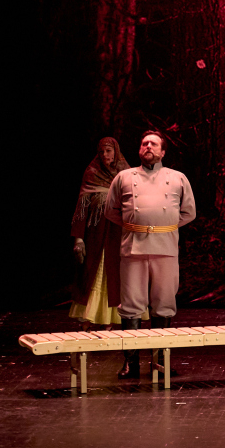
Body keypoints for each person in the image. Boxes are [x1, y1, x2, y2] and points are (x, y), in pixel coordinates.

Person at [104, 130, 197, 379]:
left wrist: (164, 226)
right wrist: (135, 226)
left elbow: (189, 212)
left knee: (164, 304)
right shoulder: (124, 177)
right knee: (131, 306)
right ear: (139, 149)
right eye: (144, 143)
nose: (148, 146)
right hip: (133, 247)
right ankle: (130, 363)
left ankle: (160, 362)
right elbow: (111, 211)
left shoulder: (177, 178)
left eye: (153, 144)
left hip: (165, 248)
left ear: (163, 152)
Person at [69, 137, 134, 328]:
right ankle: (89, 318)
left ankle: (111, 319)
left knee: (116, 275)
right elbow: (82, 208)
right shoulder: (92, 173)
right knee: (93, 274)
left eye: (109, 151)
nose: (105, 155)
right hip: (95, 237)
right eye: (101, 152)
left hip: (119, 236)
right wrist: (78, 239)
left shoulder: (127, 176)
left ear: (116, 151)